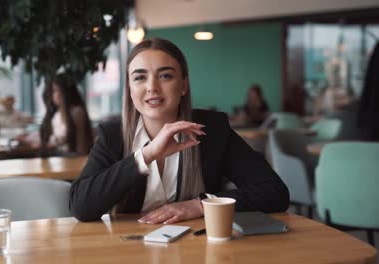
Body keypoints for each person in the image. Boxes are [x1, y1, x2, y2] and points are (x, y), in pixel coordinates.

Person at [69, 38, 289, 223]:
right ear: (129, 88)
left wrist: (200, 205)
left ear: (183, 85)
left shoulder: (211, 130)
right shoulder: (112, 136)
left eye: (165, 76)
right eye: (139, 77)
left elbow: (274, 191)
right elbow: (81, 206)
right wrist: (146, 155)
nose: (152, 87)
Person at [38, 73, 94, 155]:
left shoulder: (76, 112)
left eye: (58, 90)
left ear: (67, 92)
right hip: (56, 159)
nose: (56, 95)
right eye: (54, 91)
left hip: (72, 159)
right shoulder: (56, 115)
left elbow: (81, 143)